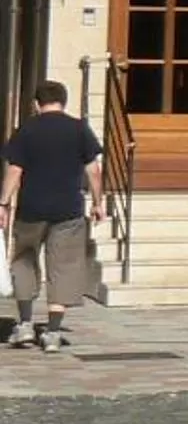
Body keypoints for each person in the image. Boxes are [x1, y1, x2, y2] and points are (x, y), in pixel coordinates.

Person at [2, 82, 106, 353]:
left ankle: (25, 324)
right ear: (63, 101)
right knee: (63, 267)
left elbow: (15, 170)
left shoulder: (26, 130)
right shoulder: (79, 129)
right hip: (68, 210)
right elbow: (93, 170)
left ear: (37, 103)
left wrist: (2, 203)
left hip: (31, 209)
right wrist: (98, 202)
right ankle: (53, 332)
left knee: (24, 261)